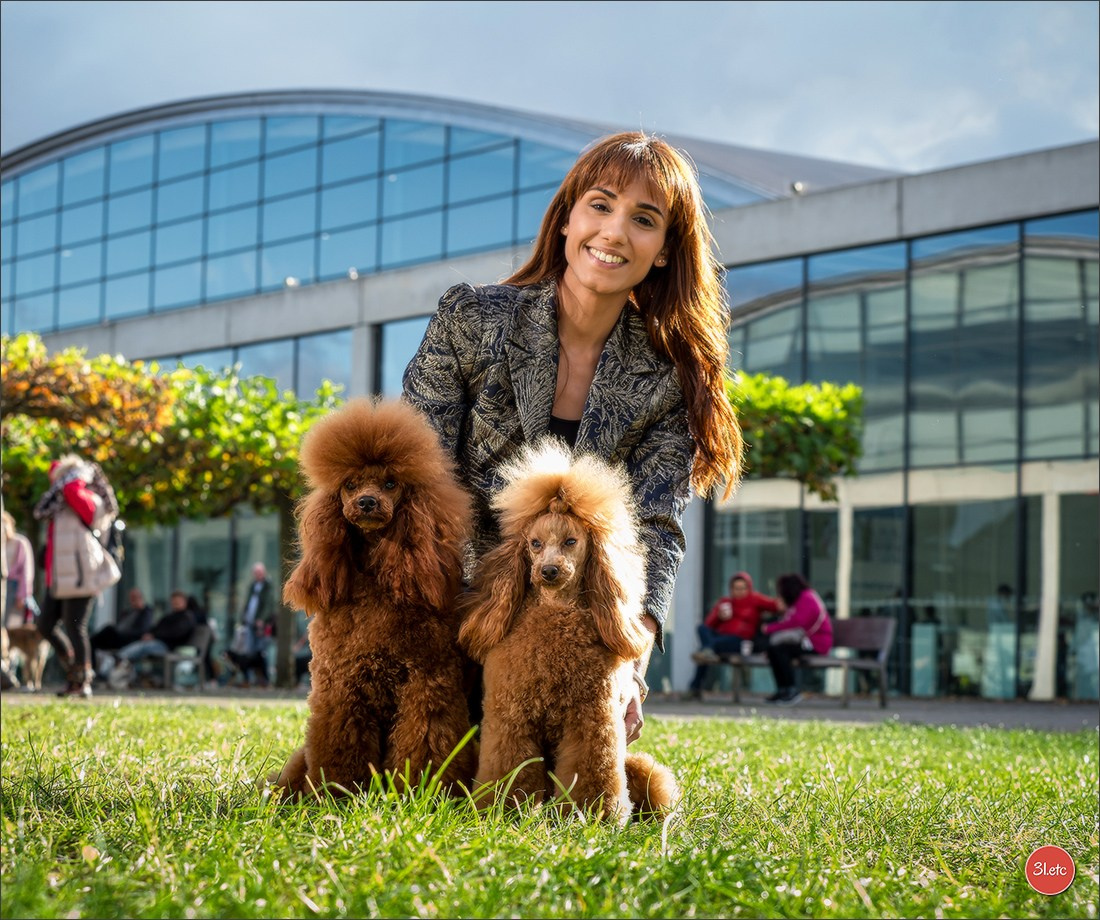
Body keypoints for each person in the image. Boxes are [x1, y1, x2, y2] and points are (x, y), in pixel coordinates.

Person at [403, 132, 744, 741]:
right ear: (567, 219)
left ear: (664, 251)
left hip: (569, 640)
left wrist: (629, 666)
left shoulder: (668, 377)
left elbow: (654, 532)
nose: (614, 232)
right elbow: (417, 484)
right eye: (600, 205)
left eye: (644, 219)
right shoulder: (471, 319)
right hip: (447, 618)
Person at [32, 454, 121, 698]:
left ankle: (83, 681)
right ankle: (74, 668)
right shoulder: (58, 505)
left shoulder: (89, 498)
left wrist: (77, 474)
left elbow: (73, 492)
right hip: (58, 579)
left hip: (82, 576)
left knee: (75, 627)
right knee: (44, 625)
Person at [686, 571, 782, 700]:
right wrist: (719, 616)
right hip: (720, 638)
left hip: (739, 641)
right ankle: (708, 650)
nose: (740, 592)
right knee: (701, 629)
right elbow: (708, 624)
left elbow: (776, 606)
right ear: (731, 589)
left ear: (749, 588)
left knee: (706, 649)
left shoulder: (755, 599)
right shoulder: (725, 602)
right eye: (736, 588)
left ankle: (695, 685)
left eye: (743, 588)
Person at [760, 573, 833, 705]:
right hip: (805, 642)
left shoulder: (807, 597)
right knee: (773, 650)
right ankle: (782, 690)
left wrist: (770, 628)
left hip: (816, 644)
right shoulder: (799, 599)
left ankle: (792, 690)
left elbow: (797, 622)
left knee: (780, 650)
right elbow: (790, 621)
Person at [107, 589, 198, 689]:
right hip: (158, 642)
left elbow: (176, 634)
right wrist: (150, 634)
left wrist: (155, 636)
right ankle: (121, 666)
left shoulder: (186, 617)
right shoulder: (170, 616)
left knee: (142, 646)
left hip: (168, 646)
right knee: (140, 645)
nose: (176, 604)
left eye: (178, 601)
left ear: (184, 602)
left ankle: (119, 658)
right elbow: (157, 628)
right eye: (174, 601)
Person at [224, 562, 274, 688]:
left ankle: (265, 679)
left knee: (261, 653)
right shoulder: (253, 586)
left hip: (261, 625)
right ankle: (250, 679)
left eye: (260, 572)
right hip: (250, 623)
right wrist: (243, 618)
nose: (258, 575)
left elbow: (268, 605)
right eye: (256, 573)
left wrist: (261, 619)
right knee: (249, 651)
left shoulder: (268, 586)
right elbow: (248, 603)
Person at [91, 586, 155, 677]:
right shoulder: (127, 612)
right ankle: (92, 669)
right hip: (118, 637)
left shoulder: (146, 612)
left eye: (135, 597)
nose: (133, 600)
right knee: (92, 643)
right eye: (131, 598)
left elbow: (142, 630)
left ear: (140, 597)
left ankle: (95, 670)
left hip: (129, 639)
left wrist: (141, 608)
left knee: (108, 629)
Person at [3, 509, 38, 629]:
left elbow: (26, 571)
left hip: (14, 587)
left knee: (12, 627)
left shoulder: (19, 542)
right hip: (3, 585)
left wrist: (23, 595)